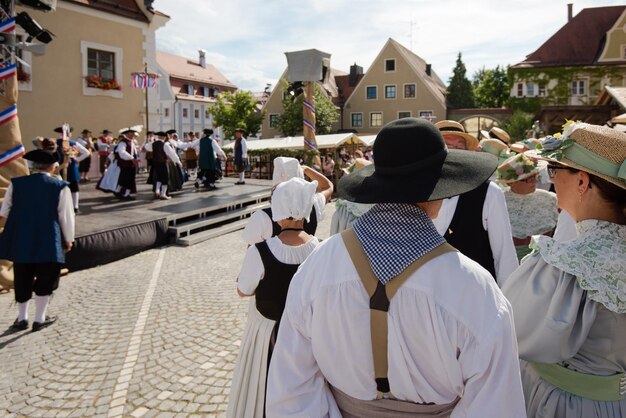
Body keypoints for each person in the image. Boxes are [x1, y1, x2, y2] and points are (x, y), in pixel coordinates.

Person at [266, 118, 526, 417]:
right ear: (440, 188)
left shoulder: (318, 266)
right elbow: (496, 405)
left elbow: (291, 392)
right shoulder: (472, 287)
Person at [502, 123, 626, 418]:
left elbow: (514, 334)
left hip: (573, 405)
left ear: (582, 182)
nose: (551, 179)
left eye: (555, 170)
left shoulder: (568, 262)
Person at [227, 177, 321, 418]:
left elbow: (243, 290)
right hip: (308, 333)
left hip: (268, 330)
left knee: (263, 380)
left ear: (278, 213)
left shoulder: (260, 251)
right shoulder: (321, 248)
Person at [433, 120, 518, 285]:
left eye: (459, 147)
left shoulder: (489, 192)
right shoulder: (413, 193)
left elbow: (505, 256)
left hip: (477, 299)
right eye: (447, 146)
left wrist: (508, 302)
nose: (454, 153)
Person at [0, 150, 75, 332]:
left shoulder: (16, 184)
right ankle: (39, 319)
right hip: (48, 236)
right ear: (52, 167)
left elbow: (4, 211)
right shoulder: (59, 186)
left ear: (33, 167)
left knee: (22, 275)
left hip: (22, 236)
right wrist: (69, 238)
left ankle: (22, 318)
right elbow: (65, 216)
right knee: (46, 276)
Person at [241, 157, 333, 246]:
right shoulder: (313, 205)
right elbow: (328, 186)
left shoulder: (261, 217)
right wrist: (306, 169)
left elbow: (252, 251)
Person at [496, 153, 558, 261]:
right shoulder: (499, 200)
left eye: (535, 176)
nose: (535, 181)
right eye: (528, 179)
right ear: (511, 183)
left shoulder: (550, 199)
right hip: (507, 260)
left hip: (544, 261)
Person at [54, 126, 89, 213]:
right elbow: (86, 152)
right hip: (69, 167)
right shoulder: (72, 142)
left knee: (63, 187)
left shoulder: (55, 143)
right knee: (73, 187)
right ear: (68, 133)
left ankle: (64, 206)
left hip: (59, 167)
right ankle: (75, 206)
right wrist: (77, 160)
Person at [144, 131, 182, 200]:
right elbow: (172, 154)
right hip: (163, 163)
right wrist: (178, 162)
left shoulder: (153, 144)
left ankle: (157, 190)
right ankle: (163, 194)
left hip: (155, 163)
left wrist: (150, 140)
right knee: (165, 178)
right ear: (164, 137)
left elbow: (147, 147)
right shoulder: (165, 145)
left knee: (159, 177)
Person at [114, 126, 140, 200]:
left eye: (133, 133)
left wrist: (136, 159)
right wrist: (132, 158)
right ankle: (121, 193)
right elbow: (122, 153)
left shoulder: (132, 142)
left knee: (129, 179)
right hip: (125, 164)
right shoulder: (123, 142)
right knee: (125, 179)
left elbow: (135, 152)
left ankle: (123, 193)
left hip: (131, 164)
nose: (133, 135)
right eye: (131, 133)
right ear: (127, 134)